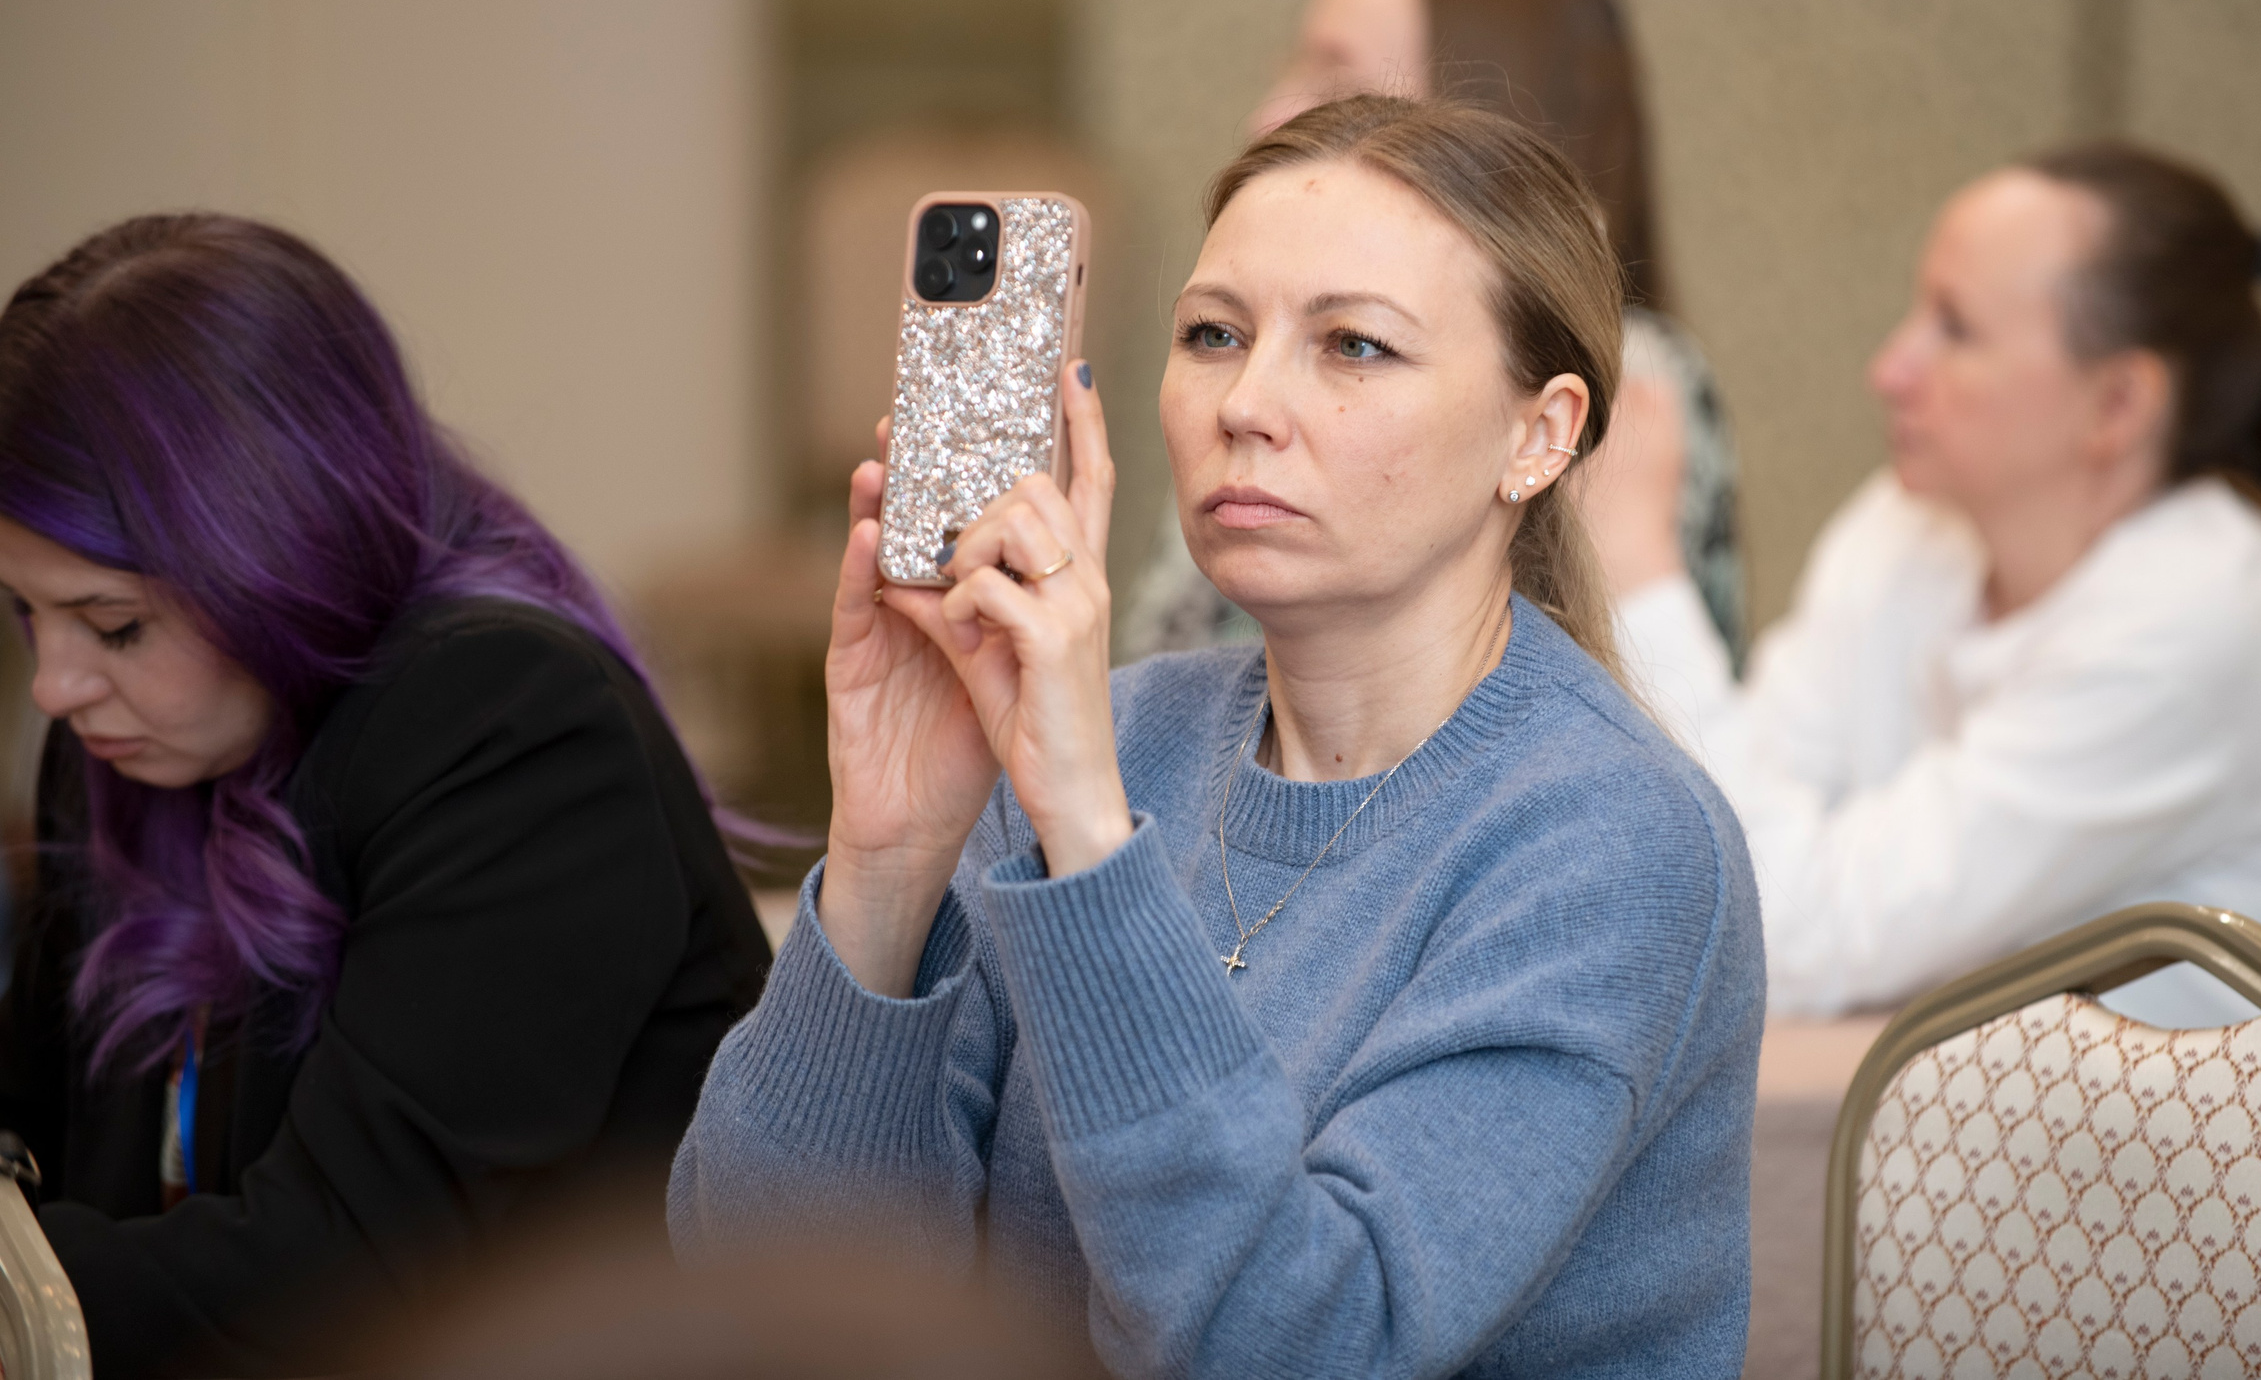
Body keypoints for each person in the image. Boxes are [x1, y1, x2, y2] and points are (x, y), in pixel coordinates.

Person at [672, 96, 1765, 1377]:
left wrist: (1087, 832)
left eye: (1353, 347)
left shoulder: (1614, 842)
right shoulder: (1116, 732)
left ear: (1541, 433)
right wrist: (889, 857)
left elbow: (1286, 1346)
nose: (1245, 402)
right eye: (1211, 335)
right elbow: (765, 1297)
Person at [1618, 142, 2261, 1369]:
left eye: (1954, 329)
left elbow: (1764, 923)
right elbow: (1763, 851)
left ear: (2118, 404)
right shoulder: (1908, 527)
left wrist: (1636, 557)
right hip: (2178, 1250)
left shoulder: (2202, 614)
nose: (1888, 367)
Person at [0, 215, 772, 1378]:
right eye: (23, 614)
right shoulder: (125, 742)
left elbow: (348, 1270)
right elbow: (39, 1160)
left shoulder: (507, 722)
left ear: (279, 555)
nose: (54, 686)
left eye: (114, 625)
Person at [1121, 0, 1747, 671]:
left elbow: (1656, 698)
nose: (1269, 115)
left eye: (1334, 82)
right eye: (1213, 334)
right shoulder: (1254, 369)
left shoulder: (1636, 376)